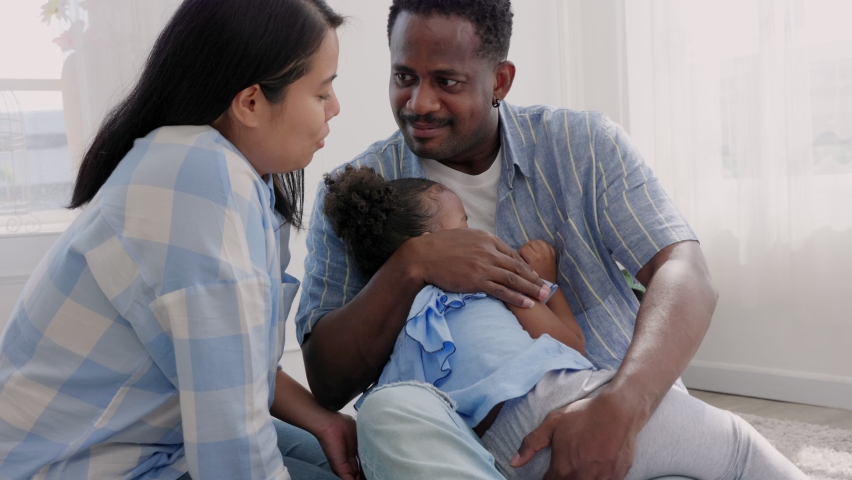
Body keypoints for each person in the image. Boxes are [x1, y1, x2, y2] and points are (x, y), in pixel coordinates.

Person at [293, 0, 732, 479]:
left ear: (500, 81)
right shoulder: (358, 192)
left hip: (620, 415)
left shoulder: (582, 144)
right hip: (475, 454)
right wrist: (411, 264)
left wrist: (621, 404)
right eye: (404, 77)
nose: (419, 102)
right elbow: (327, 381)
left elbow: (685, 270)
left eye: (447, 81)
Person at [0, 1, 361, 479]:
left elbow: (236, 369)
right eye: (322, 92)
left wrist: (322, 420)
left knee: (353, 459)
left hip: (153, 440)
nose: (336, 107)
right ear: (251, 102)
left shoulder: (230, 171)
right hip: (76, 465)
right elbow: (232, 437)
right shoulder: (200, 181)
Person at [321, 165, 807, 479]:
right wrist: (543, 283)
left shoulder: (388, 340)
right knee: (736, 448)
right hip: (567, 407)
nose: (476, 233)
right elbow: (569, 343)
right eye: (463, 225)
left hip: (503, 456)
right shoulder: (487, 283)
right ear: (434, 241)